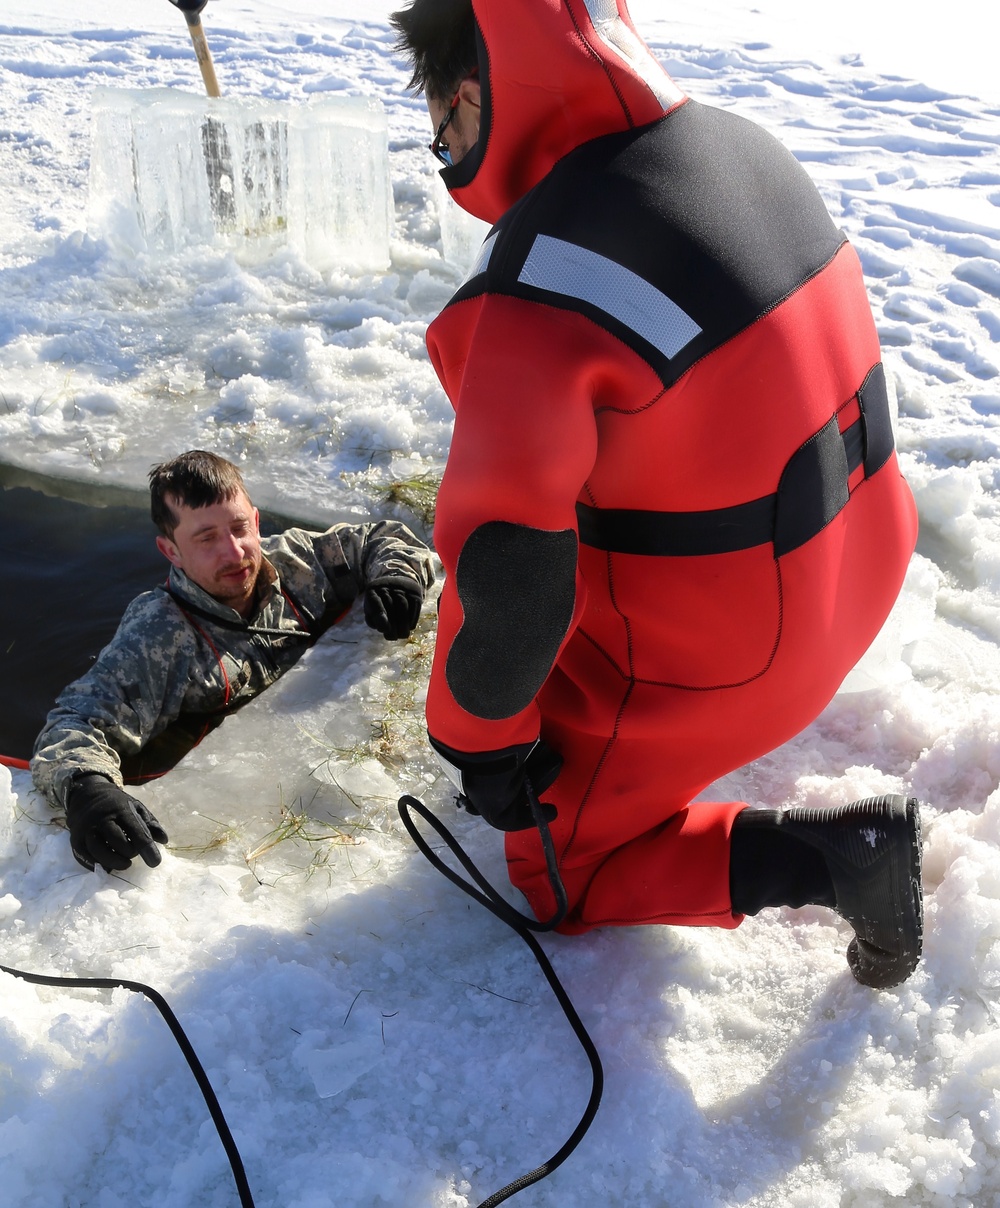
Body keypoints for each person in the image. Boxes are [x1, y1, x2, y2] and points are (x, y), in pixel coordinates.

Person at [391, 0, 923, 988]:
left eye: (441, 125)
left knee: (561, 873)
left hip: (744, 658)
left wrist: (481, 742)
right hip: (861, 562)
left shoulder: (541, 280)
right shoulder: (736, 143)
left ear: (475, 96)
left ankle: (840, 857)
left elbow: (507, 556)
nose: (443, 147)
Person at [31, 450, 434, 875]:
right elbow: (73, 723)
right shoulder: (158, 635)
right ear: (171, 550)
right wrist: (86, 788)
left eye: (240, 528)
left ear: (256, 522)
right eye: (206, 538)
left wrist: (396, 575)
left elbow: (383, 538)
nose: (234, 551)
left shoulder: (296, 560)